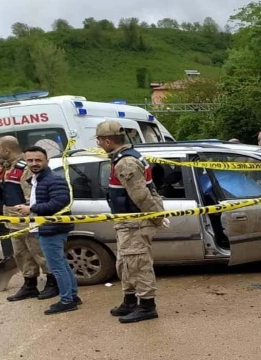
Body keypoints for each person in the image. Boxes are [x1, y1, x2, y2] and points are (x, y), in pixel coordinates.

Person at [95, 120, 166, 324]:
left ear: (108, 140)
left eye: (99, 140)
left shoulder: (125, 162)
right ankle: (130, 300)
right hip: (126, 221)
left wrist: (156, 218)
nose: (98, 143)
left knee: (138, 263)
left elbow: (141, 195)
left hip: (135, 221)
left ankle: (146, 305)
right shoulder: (122, 158)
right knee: (126, 263)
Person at [14, 146, 80, 315]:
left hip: (53, 228)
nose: (34, 163)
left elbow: (60, 202)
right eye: (30, 160)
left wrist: (32, 209)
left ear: (46, 161)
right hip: (46, 227)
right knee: (62, 264)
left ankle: (67, 300)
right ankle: (72, 296)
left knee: (57, 266)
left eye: (38, 160)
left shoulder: (53, 179)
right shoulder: (38, 179)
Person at [0, 136, 57, 302]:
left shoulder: (24, 168)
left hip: (26, 219)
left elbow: (31, 196)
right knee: (21, 254)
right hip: (12, 219)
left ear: (7, 150)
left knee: (39, 252)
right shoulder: (8, 167)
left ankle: (52, 283)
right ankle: (30, 285)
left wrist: (32, 217)